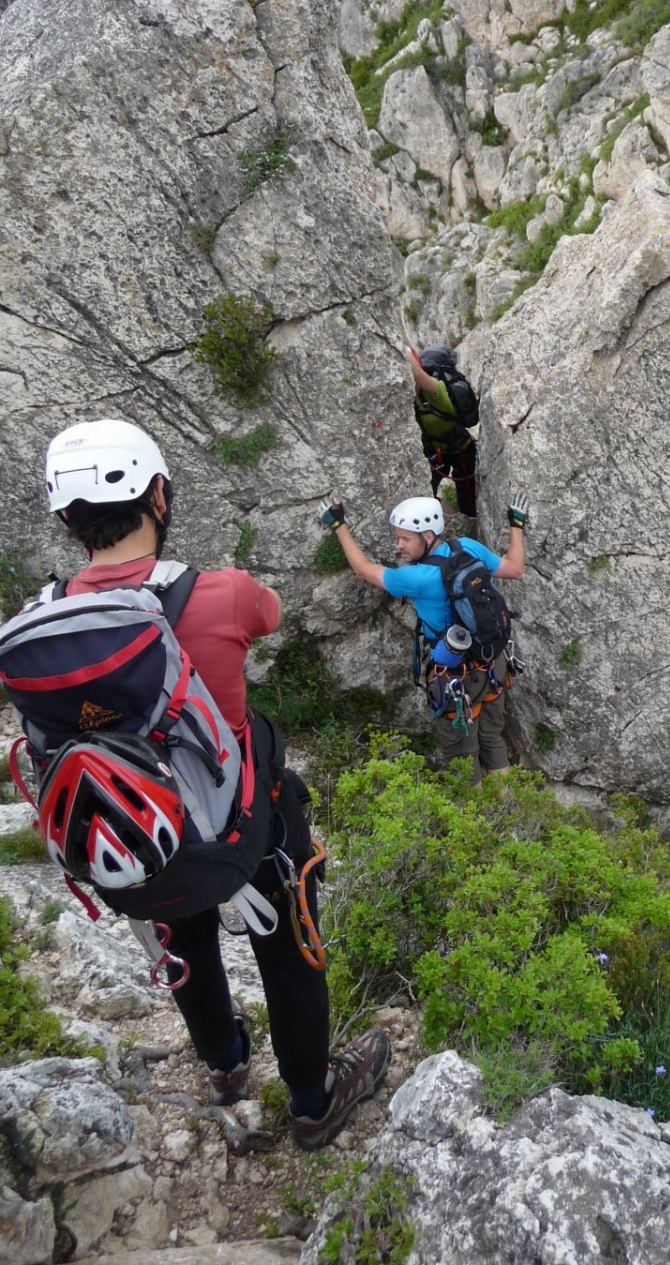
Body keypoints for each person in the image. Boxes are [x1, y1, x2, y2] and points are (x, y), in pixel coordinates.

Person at [36, 419, 389, 1149]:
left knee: (182, 939)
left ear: (66, 518)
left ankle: (227, 1068)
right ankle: (312, 1100)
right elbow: (271, 612)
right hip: (237, 832)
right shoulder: (220, 593)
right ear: (159, 494)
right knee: (287, 953)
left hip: (133, 845)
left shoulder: (38, 621)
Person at [319, 491, 528, 781]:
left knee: (462, 758)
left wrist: (338, 525)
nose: (399, 546)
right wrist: (516, 524)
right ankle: (504, 809)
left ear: (427, 535)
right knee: (492, 737)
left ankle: (477, 821)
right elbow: (515, 569)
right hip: (494, 662)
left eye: (405, 538)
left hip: (457, 677)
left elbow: (363, 570)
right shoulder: (468, 547)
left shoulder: (416, 579)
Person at [406, 344, 479, 517]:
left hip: (461, 450)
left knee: (468, 504)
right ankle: (449, 518)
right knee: (423, 494)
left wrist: (405, 351)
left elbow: (417, 374)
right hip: (436, 452)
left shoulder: (437, 391)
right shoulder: (416, 396)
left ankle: (467, 526)